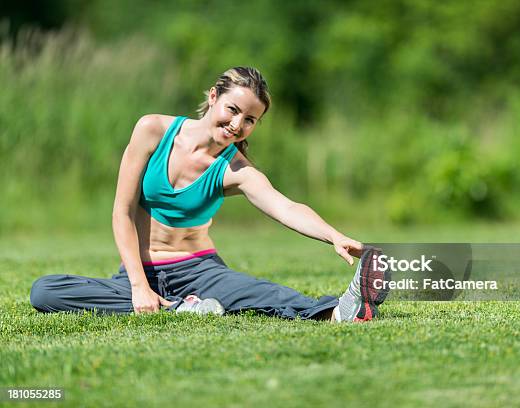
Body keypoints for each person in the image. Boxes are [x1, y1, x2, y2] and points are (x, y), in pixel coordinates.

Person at [29, 67, 388, 322]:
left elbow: (285, 206)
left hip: (199, 270)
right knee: (45, 292)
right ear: (213, 97)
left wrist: (334, 236)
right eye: (233, 110)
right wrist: (138, 284)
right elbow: (122, 212)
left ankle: (337, 311)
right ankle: (178, 307)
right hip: (139, 271)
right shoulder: (152, 130)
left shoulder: (236, 170)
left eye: (249, 120)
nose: (237, 124)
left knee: (257, 294)